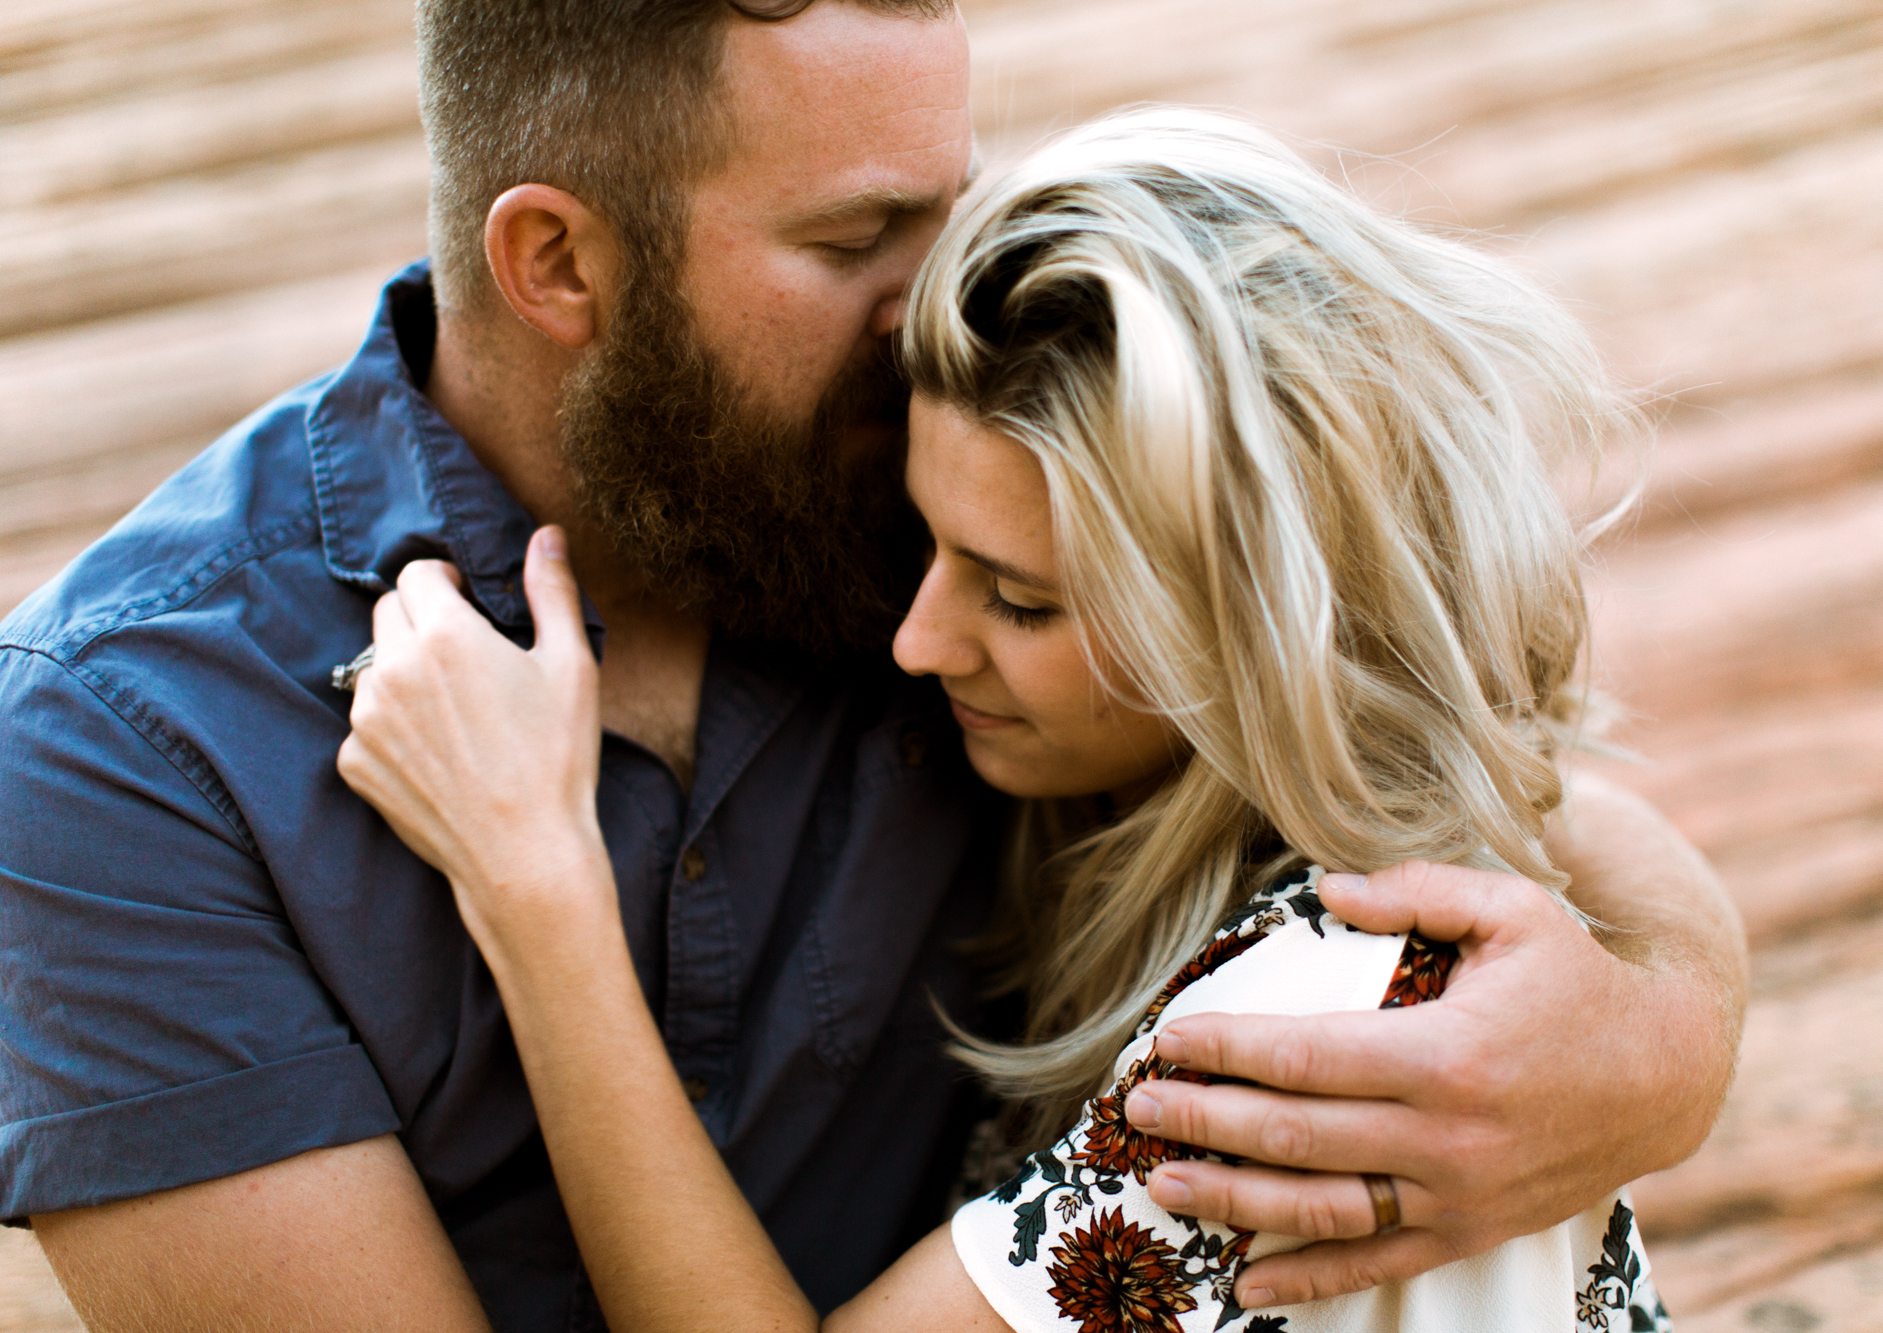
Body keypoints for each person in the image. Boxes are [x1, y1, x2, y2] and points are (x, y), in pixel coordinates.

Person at [0, 2, 1744, 1330]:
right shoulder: (131, 749)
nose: (932, 302)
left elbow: (1354, 706)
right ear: (556, 263)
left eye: (946, 207)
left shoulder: (943, 485)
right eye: (854, 243)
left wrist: (1664, 1024)